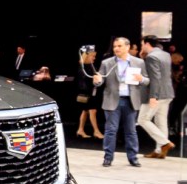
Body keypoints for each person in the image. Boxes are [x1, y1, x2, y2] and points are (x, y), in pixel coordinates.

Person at [93, 37, 149, 167]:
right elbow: (100, 80)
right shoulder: (107, 63)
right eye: (115, 46)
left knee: (131, 131)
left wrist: (141, 79)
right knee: (111, 130)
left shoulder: (138, 62)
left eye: (119, 46)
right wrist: (97, 81)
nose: (116, 48)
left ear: (127, 47)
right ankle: (108, 158)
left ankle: (133, 158)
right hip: (112, 100)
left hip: (130, 100)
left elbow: (147, 80)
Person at [138, 35, 175, 158]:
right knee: (161, 121)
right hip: (168, 92)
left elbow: (155, 78)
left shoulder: (152, 57)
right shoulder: (166, 54)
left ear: (147, 44)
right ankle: (160, 151)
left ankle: (165, 143)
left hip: (157, 94)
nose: (141, 47)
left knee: (143, 119)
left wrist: (153, 96)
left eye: (142, 44)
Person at [75, 45, 103, 139]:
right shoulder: (83, 67)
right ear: (87, 56)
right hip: (87, 93)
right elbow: (84, 80)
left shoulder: (90, 66)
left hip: (90, 92)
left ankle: (80, 130)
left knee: (85, 111)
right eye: (93, 56)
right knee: (92, 111)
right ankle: (96, 131)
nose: (94, 58)